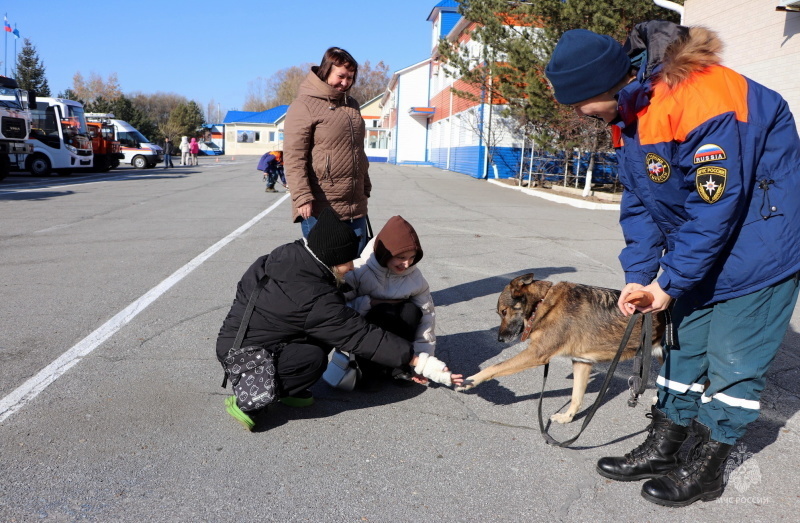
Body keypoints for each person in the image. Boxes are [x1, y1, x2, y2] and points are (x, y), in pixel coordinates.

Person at [545, 21, 800, 507]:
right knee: (683, 349)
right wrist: (640, 277)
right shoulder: (630, 114)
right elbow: (641, 203)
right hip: (706, 246)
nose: (578, 112)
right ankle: (667, 443)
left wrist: (673, 279)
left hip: (760, 246)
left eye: (578, 101)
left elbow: (715, 203)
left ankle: (711, 460)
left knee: (732, 360)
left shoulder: (703, 96)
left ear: (602, 84)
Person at [216, 207, 463, 431]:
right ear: (331, 258)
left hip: (240, 340)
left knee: (319, 340)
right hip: (244, 356)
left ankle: (286, 386)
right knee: (312, 359)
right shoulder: (312, 296)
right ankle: (249, 400)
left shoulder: (287, 257)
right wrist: (418, 360)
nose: (353, 267)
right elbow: (358, 334)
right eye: (347, 260)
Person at [283, 46, 371, 253]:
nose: (345, 83)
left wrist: (365, 185)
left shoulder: (352, 105)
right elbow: (294, 157)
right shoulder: (303, 105)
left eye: (350, 78)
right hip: (320, 207)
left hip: (355, 204)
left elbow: (358, 151)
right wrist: (302, 197)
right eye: (341, 76)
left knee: (356, 267)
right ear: (326, 71)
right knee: (326, 268)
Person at [344, 216, 436, 385]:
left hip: (399, 330)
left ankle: (400, 368)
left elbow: (427, 319)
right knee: (381, 313)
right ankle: (367, 369)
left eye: (412, 257)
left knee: (411, 311)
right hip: (368, 331)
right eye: (401, 257)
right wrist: (370, 303)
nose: (407, 264)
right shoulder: (358, 271)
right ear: (385, 253)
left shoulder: (416, 278)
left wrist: (423, 364)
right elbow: (341, 309)